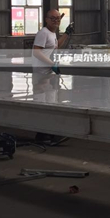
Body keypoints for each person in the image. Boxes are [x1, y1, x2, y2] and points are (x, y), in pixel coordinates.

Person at [31, 10, 73, 145]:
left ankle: (49, 133)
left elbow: (56, 45)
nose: (56, 20)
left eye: (58, 18)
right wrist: (52, 64)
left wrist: (66, 34)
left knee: (51, 102)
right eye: (53, 18)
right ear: (46, 19)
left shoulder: (52, 33)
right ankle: (42, 135)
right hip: (41, 74)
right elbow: (36, 51)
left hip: (48, 73)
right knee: (43, 104)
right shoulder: (43, 33)